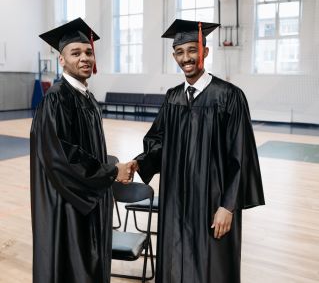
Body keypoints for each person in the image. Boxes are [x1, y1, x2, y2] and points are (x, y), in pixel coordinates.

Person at [131, 19, 265, 283]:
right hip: (176, 201)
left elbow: (241, 155)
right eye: (180, 52)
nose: (186, 58)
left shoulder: (229, 96)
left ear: (205, 51)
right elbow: (158, 142)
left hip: (212, 202)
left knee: (211, 266)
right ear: (174, 56)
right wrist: (138, 163)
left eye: (192, 50)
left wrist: (228, 205)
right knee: (175, 263)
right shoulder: (172, 98)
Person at [30, 18, 132, 283]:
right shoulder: (56, 98)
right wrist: (111, 172)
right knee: (71, 268)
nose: (85, 58)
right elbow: (64, 158)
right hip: (68, 205)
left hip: (88, 198)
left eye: (88, 52)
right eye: (76, 53)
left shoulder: (87, 97)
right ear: (61, 60)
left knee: (90, 264)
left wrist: (104, 179)